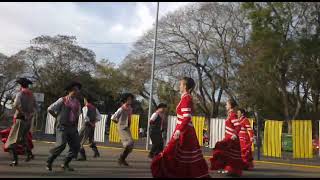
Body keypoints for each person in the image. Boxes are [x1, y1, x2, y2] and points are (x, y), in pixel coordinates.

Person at [151, 77, 209, 178]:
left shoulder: (186, 98)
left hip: (184, 131)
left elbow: (186, 118)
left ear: (185, 86)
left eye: (181, 84)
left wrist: (179, 130)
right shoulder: (185, 97)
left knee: (171, 152)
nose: (179, 86)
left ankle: (166, 173)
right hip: (185, 130)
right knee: (184, 157)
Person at [46, 81, 82, 171]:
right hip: (62, 126)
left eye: (78, 90)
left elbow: (78, 115)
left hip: (72, 127)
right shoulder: (62, 100)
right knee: (61, 145)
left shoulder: (78, 102)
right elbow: (50, 109)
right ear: (70, 90)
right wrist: (56, 117)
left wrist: (76, 125)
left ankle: (65, 164)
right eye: (75, 90)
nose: (77, 91)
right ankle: (49, 161)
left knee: (76, 145)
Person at [5, 77, 36, 166]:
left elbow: (15, 105)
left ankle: (15, 161)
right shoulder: (32, 95)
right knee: (23, 138)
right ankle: (29, 154)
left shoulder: (20, 94)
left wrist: (23, 113)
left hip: (20, 119)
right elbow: (36, 107)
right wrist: (30, 115)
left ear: (20, 85)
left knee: (12, 141)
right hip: (28, 120)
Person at [209, 98, 243, 177]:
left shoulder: (233, 115)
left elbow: (238, 126)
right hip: (228, 138)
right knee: (229, 155)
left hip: (231, 139)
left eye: (226, 104)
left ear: (230, 106)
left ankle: (228, 169)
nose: (225, 106)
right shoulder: (230, 114)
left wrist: (234, 134)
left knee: (220, 148)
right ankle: (230, 170)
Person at [111, 93, 135, 167]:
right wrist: (118, 123)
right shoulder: (121, 109)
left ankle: (122, 159)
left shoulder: (130, 108)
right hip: (121, 127)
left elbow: (129, 117)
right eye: (129, 99)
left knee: (131, 145)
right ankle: (121, 158)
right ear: (125, 100)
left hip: (127, 127)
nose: (130, 101)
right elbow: (113, 118)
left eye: (131, 99)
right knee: (129, 142)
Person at [77, 93, 102, 161]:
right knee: (90, 140)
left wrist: (90, 123)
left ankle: (83, 156)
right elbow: (99, 117)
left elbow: (85, 118)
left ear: (85, 100)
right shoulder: (94, 108)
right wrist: (93, 123)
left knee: (78, 141)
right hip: (92, 127)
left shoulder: (85, 107)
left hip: (86, 126)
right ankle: (96, 152)